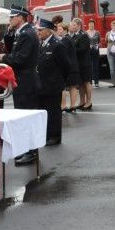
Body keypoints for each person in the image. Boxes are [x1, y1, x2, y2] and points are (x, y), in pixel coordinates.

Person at [0, 5, 40, 166]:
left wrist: (4, 58)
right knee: (23, 115)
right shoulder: (22, 33)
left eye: (12, 17)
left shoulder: (27, 34)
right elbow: (13, 48)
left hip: (27, 80)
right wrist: (9, 32)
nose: (9, 19)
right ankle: (27, 150)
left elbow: (19, 59)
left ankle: (31, 152)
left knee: (26, 116)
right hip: (23, 79)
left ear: (21, 17)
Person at [35, 18, 70, 147]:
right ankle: (46, 135)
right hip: (41, 84)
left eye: (40, 30)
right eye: (38, 30)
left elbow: (66, 66)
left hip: (53, 85)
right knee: (43, 111)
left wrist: (59, 80)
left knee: (53, 112)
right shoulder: (41, 44)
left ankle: (55, 136)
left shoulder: (57, 45)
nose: (38, 32)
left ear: (48, 31)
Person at [69, 19, 93, 110]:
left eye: (74, 25)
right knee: (80, 83)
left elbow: (83, 49)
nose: (73, 27)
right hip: (77, 63)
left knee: (87, 82)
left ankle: (89, 101)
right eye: (72, 25)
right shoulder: (74, 36)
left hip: (84, 63)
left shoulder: (83, 35)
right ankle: (82, 101)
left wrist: (71, 51)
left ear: (79, 25)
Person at [86, 20, 101, 88]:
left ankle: (96, 82)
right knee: (89, 66)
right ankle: (90, 82)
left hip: (95, 50)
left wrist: (98, 45)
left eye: (92, 25)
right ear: (88, 25)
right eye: (90, 25)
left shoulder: (97, 32)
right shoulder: (86, 33)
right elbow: (84, 42)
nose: (91, 26)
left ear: (94, 25)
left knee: (96, 66)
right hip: (88, 51)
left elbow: (100, 41)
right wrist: (88, 46)